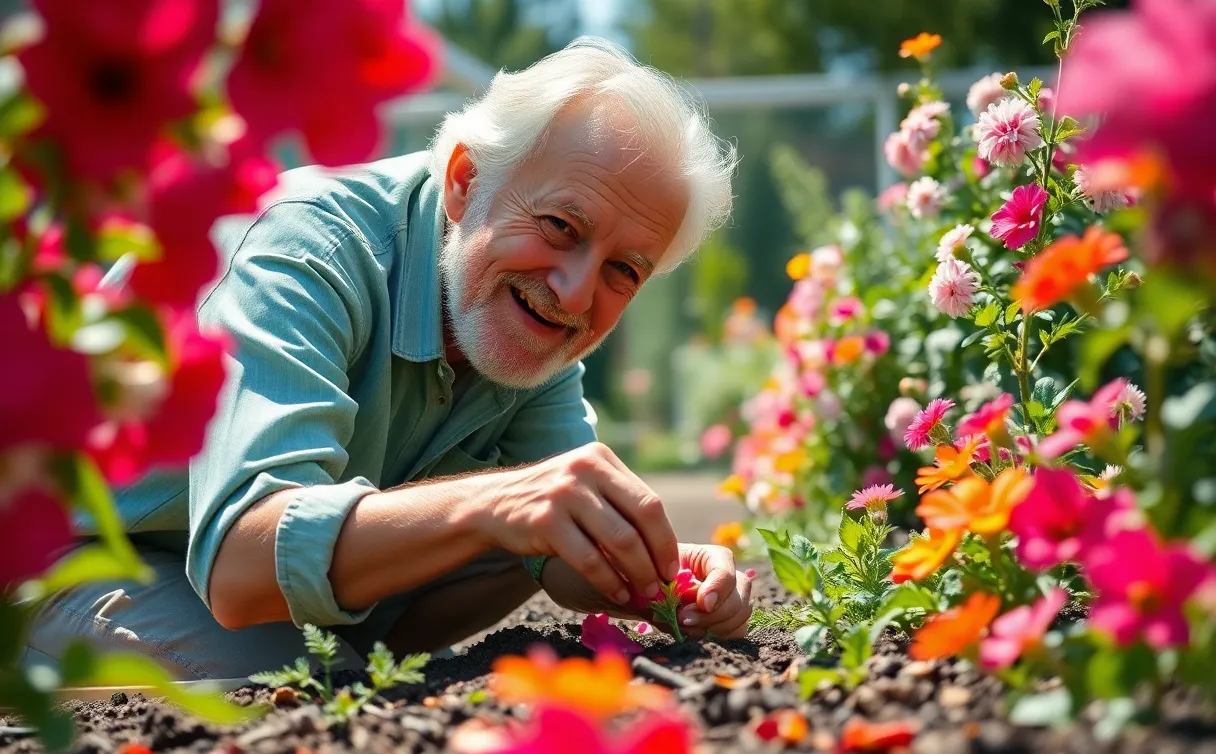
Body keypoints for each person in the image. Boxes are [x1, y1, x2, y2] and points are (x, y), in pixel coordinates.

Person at [22, 37, 749, 681]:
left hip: (264, 591)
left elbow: (563, 524)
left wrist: (668, 574)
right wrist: (496, 504)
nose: (575, 290)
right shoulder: (306, 252)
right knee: (289, 672)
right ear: (467, 180)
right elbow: (242, 567)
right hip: (65, 554)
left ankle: (358, 660)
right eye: (560, 225)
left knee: (537, 513)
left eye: (624, 271)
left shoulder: (534, 323)